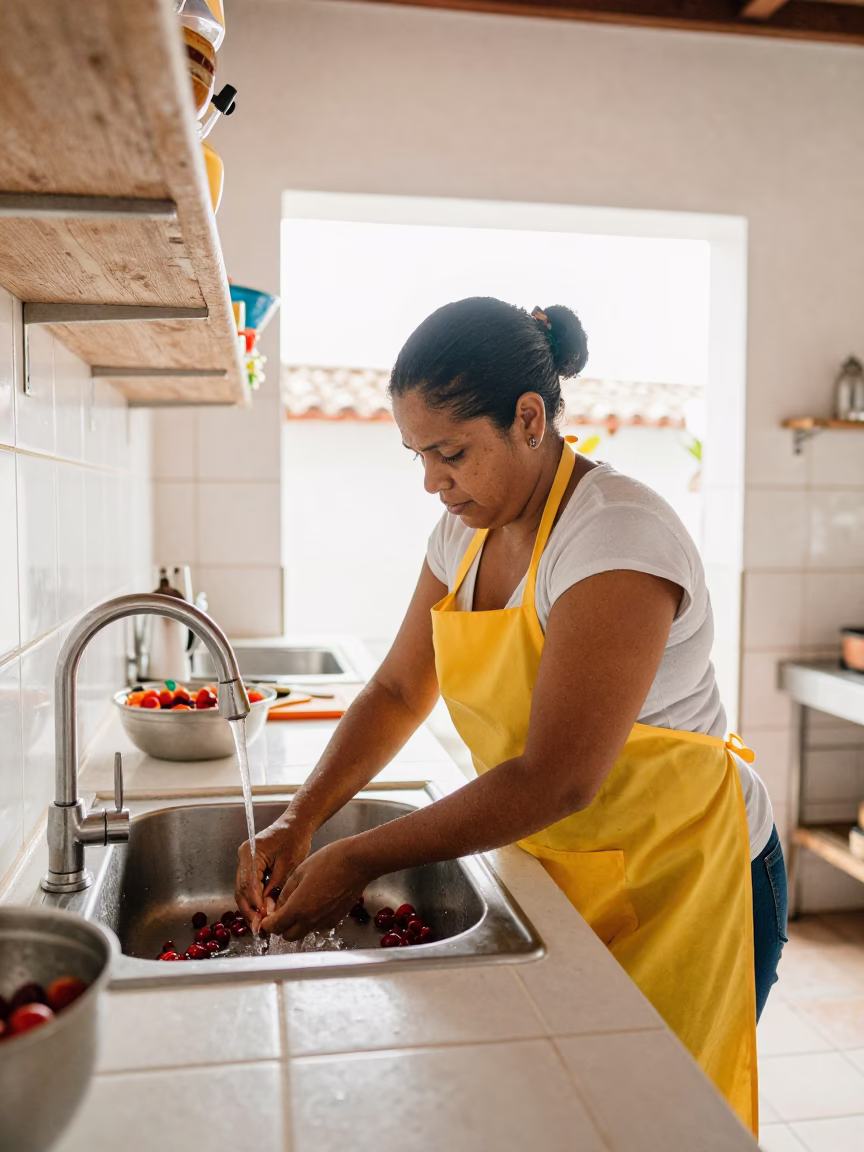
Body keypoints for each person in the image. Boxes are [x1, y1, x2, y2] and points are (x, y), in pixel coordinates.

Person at [236, 296, 787, 1134]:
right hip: (567, 865)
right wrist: (299, 818)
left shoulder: (615, 536)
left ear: (529, 418)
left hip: (695, 874)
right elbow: (395, 692)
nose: (432, 481)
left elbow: (559, 777)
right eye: (418, 455)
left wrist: (356, 859)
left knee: (657, 1119)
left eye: (450, 453)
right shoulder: (462, 535)